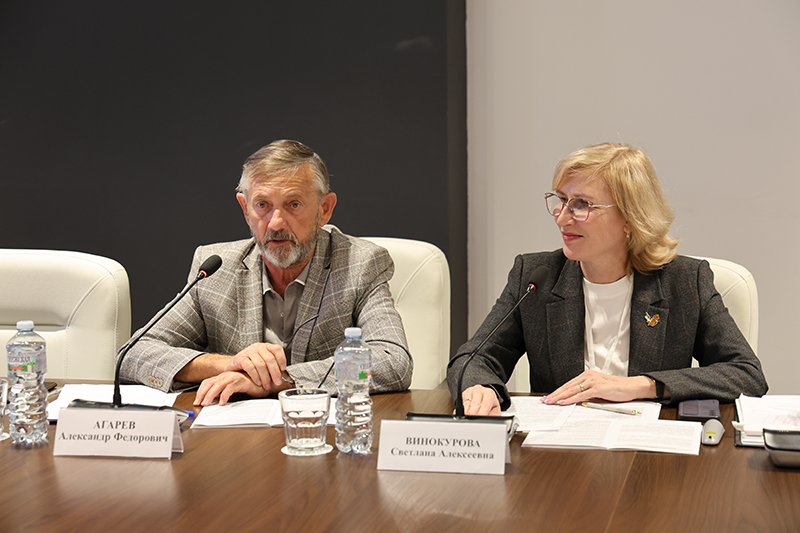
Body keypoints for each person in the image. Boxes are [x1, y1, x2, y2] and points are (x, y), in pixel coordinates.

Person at [448, 142, 768, 416]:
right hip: (560, 451)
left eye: (581, 205)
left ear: (630, 217)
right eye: (561, 200)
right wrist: (480, 387)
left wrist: (643, 386)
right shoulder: (536, 277)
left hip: (650, 454)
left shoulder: (683, 282)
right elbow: (472, 359)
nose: (562, 217)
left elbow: (746, 374)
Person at [118, 140, 412, 406]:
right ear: (245, 209)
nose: (275, 223)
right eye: (262, 205)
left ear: (325, 209)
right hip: (239, 437)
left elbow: (393, 361)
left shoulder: (360, 265)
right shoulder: (216, 270)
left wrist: (280, 380)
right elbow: (133, 354)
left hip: (323, 432)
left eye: (293, 204)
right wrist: (229, 365)